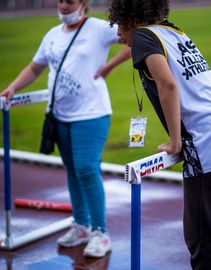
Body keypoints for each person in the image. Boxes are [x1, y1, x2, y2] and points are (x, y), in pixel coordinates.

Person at [107, 0, 211, 269]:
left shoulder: (143, 36)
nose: (117, 34)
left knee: (202, 244)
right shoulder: (174, 31)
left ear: (129, 17)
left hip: (210, 145)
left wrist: (175, 142)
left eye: (117, 24)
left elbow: (168, 85)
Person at [0, 0, 130, 258]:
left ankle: (100, 233)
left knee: (86, 168)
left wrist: (109, 66)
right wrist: (13, 87)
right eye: (61, 1)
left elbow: (135, 36)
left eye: (70, 1)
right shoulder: (52, 35)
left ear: (83, 3)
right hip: (60, 116)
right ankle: (81, 226)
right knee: (72, 170)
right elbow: (36, 66)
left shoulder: (99, 28)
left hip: (92, 114)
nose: (64, 6)